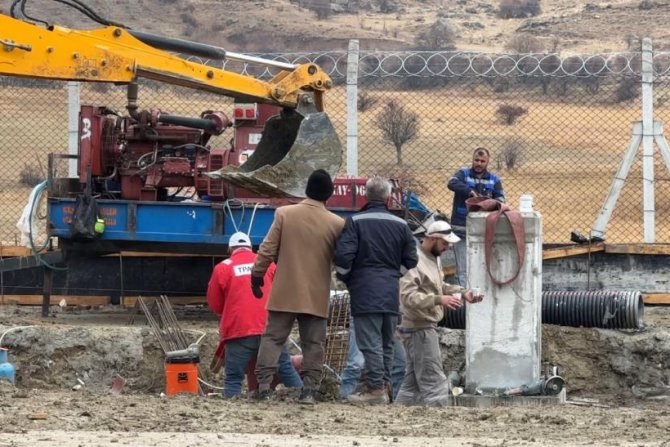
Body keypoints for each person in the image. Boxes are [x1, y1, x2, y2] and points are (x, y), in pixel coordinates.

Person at [251, 169, 345, 404]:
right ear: (329, 195)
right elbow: (342, 261)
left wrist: (257, 275)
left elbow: (267, 248)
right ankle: (309, 390)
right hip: (316, 294)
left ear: (306, 189)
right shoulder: (336, 223)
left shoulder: (284, 214)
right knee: (314, 343)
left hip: (285, 290)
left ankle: (263, 387)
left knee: (273, 338)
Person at [334, 176, 418, 404]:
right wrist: (394, 274)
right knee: (387, 342)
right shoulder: (401, 225)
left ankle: (375, 390)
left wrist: (348, 277)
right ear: (388, 197)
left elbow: (342, 258)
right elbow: (411, 259)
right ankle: (386, 387)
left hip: (365, 292)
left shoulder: (355, 221)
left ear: (366, 195)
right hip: (390, 293)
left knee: (370, 343)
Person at [395, 220, 483, 407]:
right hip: (418, 328)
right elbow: (407, 297)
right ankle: (440, 414)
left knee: (412, 382)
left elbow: (438, 286)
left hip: (417, 327)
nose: (448, 248)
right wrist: (439, 299)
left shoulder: (433, 257)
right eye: (444, 243)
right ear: (432, 239)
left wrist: (462, 292)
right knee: (433, 379)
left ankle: (399, 412)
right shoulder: (414, 260)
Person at [207, 232, 303, 399]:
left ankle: (232, 410)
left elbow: (215, 303)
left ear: (230, 249)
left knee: (233, 378)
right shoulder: (270, 266)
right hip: (270, 329)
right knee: (285, 368)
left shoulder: (223, 267)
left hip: (239, 331)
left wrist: (230, 312)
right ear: (251, 248)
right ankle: (304, 397)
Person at [447, 147, 505, 287]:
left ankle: (480, 295)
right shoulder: (463, 174)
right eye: (476, 160)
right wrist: (470, 192)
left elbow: (501, 200)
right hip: (460, 227)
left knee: (482, 266)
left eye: (482, 161)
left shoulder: (494, 180)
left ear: (487, 162)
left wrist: (488, 203)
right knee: (463, 268)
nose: (479, 163)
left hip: (484, 229)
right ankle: (466, 301)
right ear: (472, 160)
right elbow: (451, 183)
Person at [338, 319, 406, 401]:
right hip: (364, 314)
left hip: (389, 315)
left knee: (399, 365)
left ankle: (389, 398)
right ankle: (345, 397)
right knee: (356, 364)